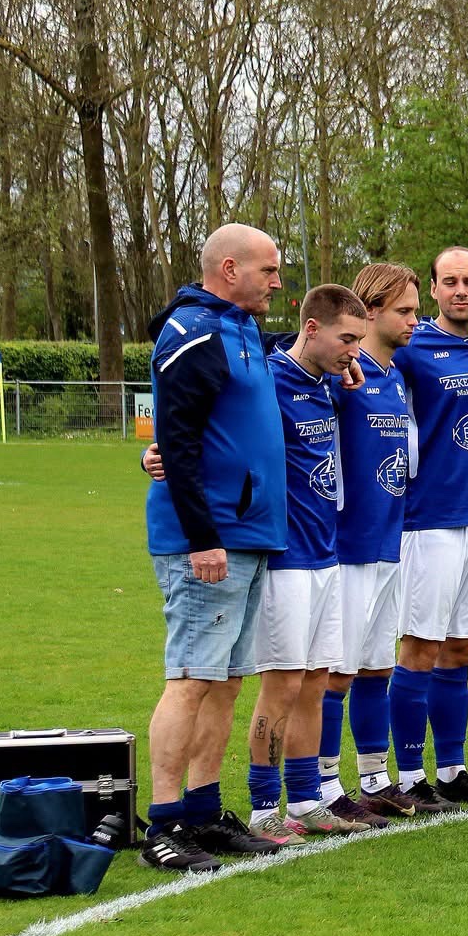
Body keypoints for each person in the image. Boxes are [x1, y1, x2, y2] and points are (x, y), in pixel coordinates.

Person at [139, 223, 294, 872]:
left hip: (249, 535)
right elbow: (174, 439)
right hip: (209, 541)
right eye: (269, 269)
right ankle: (164, 823)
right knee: (190, 680)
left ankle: (203, 812)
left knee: (226, 683)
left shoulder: (242, 332)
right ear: (229, 269)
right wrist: (203, 535)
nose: (278, 280)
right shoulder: (197, 333)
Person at [243, 285, 373, 843]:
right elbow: (218, 436)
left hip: (327, 554)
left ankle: (307, 797)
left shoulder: (328, 385)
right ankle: (262, 808)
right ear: (312, 329)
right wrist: (158, 458)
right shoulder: (269, 381)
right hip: (285, 558)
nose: (355, 352)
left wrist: (348, 381)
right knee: (282, 684)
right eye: (347, 339)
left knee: (317, 680)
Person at [390, 248, 468, 808]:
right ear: (435, 292)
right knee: (420, 647)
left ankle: (452, 768)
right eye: (450, 282)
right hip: (426, 522)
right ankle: (408, 776)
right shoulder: (410, 349)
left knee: (461, 649)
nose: (460, 290)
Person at [324, 263, 430, 821]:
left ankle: (375, 778)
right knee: (336, 671)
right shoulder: (344, 373)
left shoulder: (392, 376)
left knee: (375, 668)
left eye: (415, 309)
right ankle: (320, 784)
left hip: (389, 541)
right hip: (347, 545)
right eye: (404, 311)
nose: (414, 321)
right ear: (368, 314)